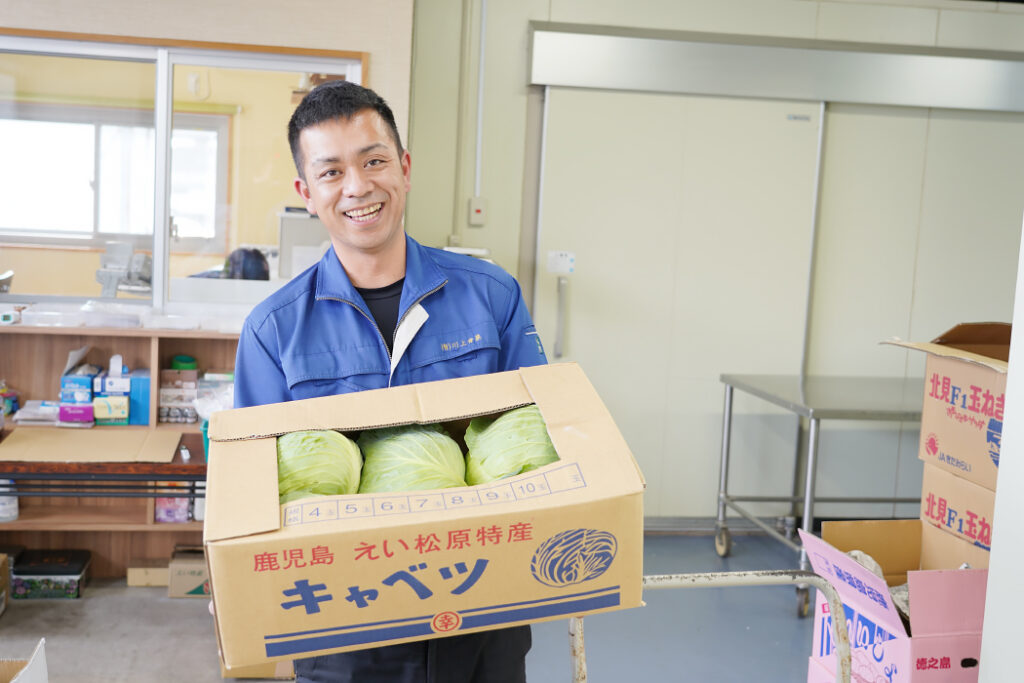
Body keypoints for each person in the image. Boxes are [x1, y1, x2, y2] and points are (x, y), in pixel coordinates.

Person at [231, 80, 547, 682]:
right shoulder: (273, 331)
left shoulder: (490, 296)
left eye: (374, 160)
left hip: (483, 605)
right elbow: (252, 490)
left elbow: (543, 433)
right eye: (331, 172)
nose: (357, 187)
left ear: (403, 167)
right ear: (306, 192)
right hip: (346, 621)